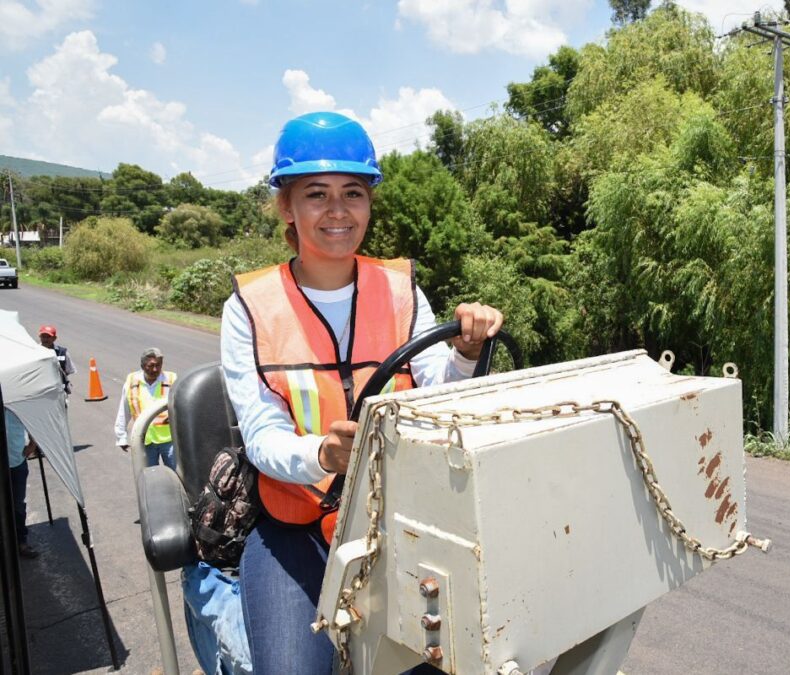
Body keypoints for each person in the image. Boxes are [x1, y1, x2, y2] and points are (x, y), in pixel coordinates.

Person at [220, 111, 503, 673]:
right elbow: (260, 434)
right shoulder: (248, 307)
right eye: (316, 193)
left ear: (369, 203)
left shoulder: (400, 290)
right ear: (287, 206)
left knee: (452, 659)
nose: (337, 211)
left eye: (353, 192)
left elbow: (436, 391)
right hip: (297, 529)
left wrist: (467, 355)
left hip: (397, 521)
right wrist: (321, 454)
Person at [114, 348, 177, 470]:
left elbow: (181, 408)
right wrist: (121, 436)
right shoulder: (132, 382)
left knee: (178, 476)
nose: (155, 369)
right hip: (144, 439)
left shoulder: (171, 379)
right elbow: (124, 409)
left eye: (158, 365)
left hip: (169, 440)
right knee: (149, 476)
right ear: (142, 366)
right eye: (151, 366)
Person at [5, 407, 39, 559]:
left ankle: (21, 542)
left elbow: (31, 421)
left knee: (18, 505)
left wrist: (33, 444)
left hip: (16, 461)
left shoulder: (15, 400)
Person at [38, 325, 76, 396]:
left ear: (54, 338)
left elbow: (69, 370)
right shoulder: (34, 351)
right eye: (43, 336)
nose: (45, 339)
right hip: (39, 391)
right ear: (40, 337)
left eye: (48, 337)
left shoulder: (63, 352)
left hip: (58, 392)